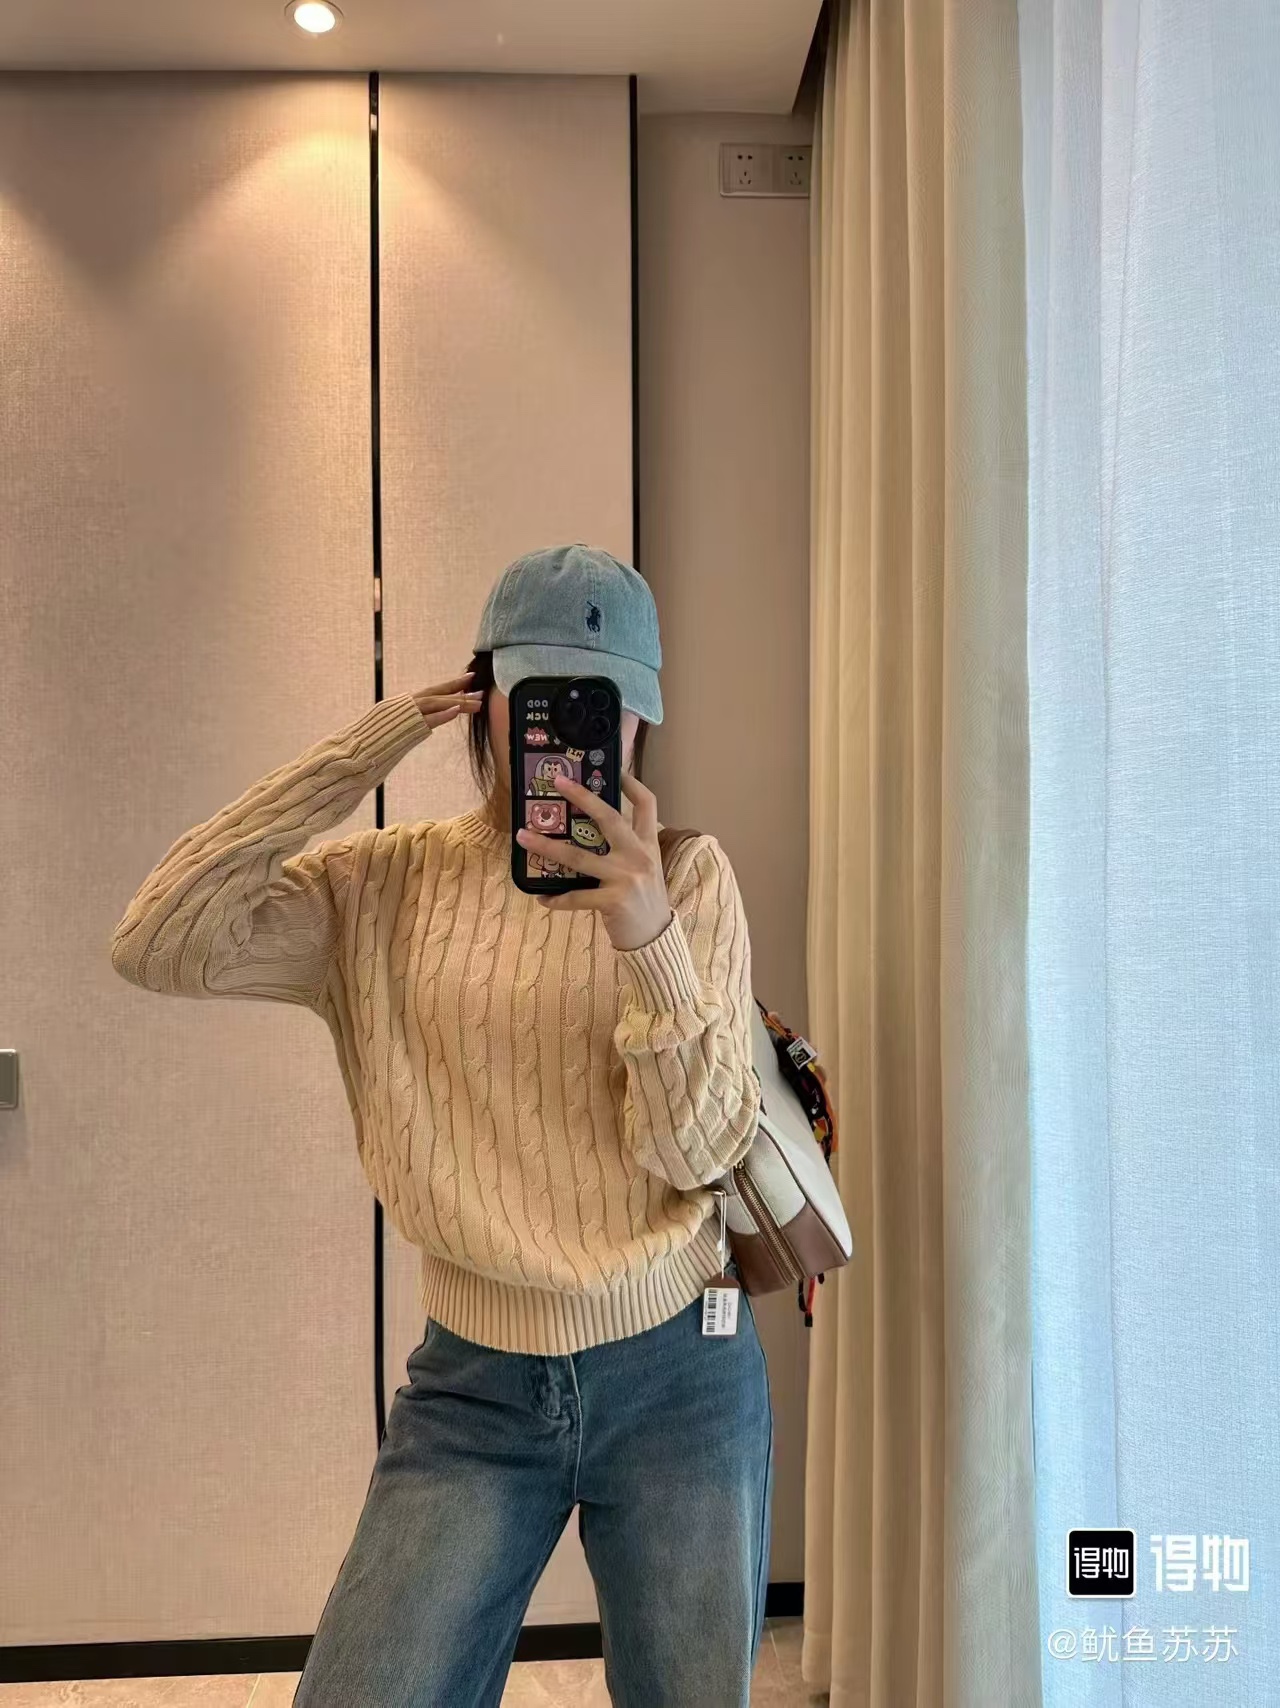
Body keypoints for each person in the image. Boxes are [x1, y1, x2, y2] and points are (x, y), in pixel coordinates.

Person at [110, 543, 774, 1708]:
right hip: (474, 1385)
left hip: (679, 1369)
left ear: (640, 720)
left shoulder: (686, 881)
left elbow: (695, 1152)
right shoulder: (383, 886)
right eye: (542, 699)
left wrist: (645, 937)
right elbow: (160, 939)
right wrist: (365, 749)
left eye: (605, 704)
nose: (574, 737)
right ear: (485, 702)